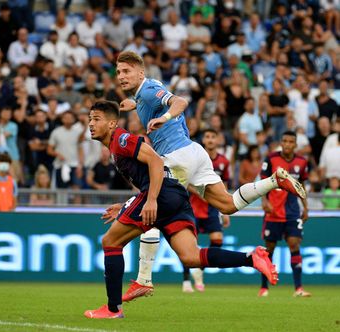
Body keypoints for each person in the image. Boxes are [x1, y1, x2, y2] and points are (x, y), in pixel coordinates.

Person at [115, 51, 305, 302]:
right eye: (118, 72)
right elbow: (153, 100)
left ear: (141, 72)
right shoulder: (146, 93)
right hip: (195, 152)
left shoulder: (149, 90)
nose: (121, 76)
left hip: (177, 156)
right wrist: (135, 104)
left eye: (126, 71)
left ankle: (144, 280)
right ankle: (274, 182)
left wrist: (164, 117)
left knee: (152, 209)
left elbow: (180, 102)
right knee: (228, 205)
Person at [84, 101, 277, 319]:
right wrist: (129, 205)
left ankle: (113, 309)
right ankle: (252, 258)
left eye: (96, 119)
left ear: (111, 123)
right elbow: (148, 175)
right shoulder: (115, 145)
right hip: (175, 195)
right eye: (90, 119)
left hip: (162, 194)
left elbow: (156, 162)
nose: (91, 124)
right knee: (191, 257)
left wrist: (151, 200)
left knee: (110, 242)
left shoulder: (121, 139)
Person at [259, 131, 310, 298]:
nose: (287, 144)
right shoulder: (271, 159)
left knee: (294, 245)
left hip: (292, 213)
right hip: (273, 212)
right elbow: (263, 182)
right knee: (269, 250)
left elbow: (301, 184)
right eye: (285, 141)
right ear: (281, 142)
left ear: (295, 144)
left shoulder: (302, 162)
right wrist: (264, 201)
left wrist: (306, 207)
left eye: (291, 142)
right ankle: (264, 287)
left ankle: (299, 288)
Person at [182, 128, 231, 293]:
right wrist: (200, 193)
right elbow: (186, 181)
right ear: (203, 140)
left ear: (218, 140)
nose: (210, 140)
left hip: (212, 207)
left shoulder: (223, 162)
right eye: (207, 137)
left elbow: (225, 187)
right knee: (189, 245)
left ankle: (199, 270)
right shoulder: (196, 158)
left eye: (213, 137)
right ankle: (186, 281)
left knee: (217, 240)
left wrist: (224, 211)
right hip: (194, 206)